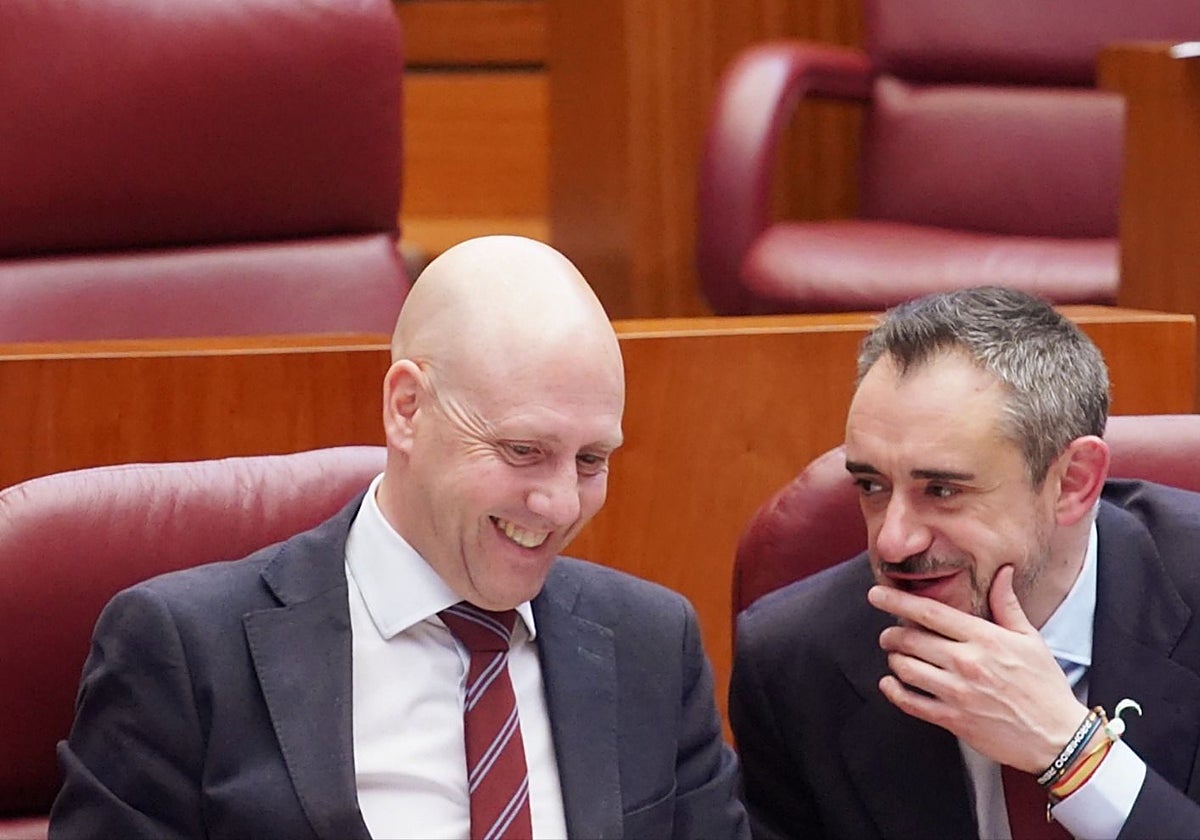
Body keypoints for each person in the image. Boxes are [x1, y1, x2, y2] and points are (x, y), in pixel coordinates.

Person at [50, 235, 748, 840]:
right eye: (522, 450)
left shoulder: (652, 645)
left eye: (591, 460)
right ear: (407, 409)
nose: (562, 503)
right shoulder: (185, 653)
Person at [730, 286, 1200, 839]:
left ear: (1072, 483)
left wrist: (1074, 758)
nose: (893, 542)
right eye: (872, 486)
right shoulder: (796, 663)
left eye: (943, 490)